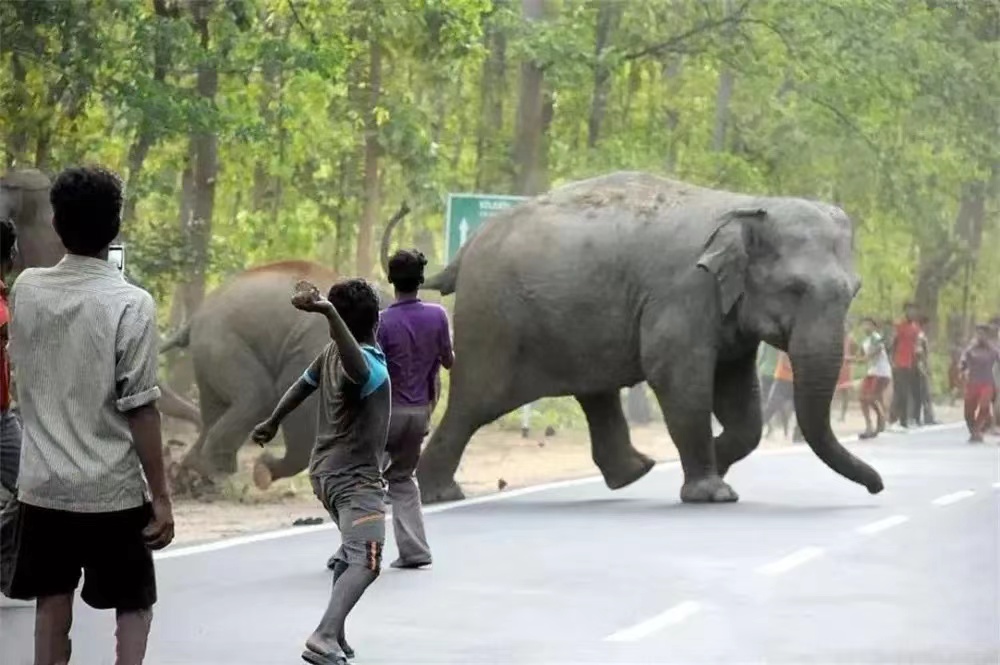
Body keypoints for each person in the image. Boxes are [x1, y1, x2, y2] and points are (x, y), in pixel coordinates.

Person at [4, 166, 174, 664]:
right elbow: (142, 408)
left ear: (57, 224)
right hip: (112, 491)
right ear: (116, 226)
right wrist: (161, 497)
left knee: (51, 600)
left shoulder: (27, 290)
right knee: (134, 602)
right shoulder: (132, 303)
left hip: (43, 488)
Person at [252, 278, 390, 665]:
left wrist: (273, 420)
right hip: (354, 479)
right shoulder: (357, 363)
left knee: (351, 549)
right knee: (368, 557)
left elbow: (303, 384)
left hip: (326, 473)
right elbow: (357, 373)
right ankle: (324, 635)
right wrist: (328, 311)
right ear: (376, 320)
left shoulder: (333, 353)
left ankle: (337, 634)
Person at [375, 249, 453, 570]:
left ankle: (355, 550)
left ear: (390, 279)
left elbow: (372, 371)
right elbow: (449, 361)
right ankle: (415, 550)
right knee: (404, 479)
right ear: (421, 279)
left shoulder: (381, 322)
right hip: (420, 413)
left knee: (365, 481)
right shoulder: (437, 316)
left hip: (386, 416)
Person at [958, 324, 1000, 443]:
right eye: (978, 334)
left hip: (987, 383)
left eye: (983, 334)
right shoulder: (971, 349)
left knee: (984, 406)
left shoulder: (993, 350)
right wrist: (962, 369)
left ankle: (977, 429)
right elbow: (963, 360)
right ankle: (974, 431)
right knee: (968, 412)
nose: (980, 336)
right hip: (972, 383)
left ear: (987, 335)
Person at [888, 302, 922, 430]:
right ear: (905, 312)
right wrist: (892, 360)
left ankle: (910, 418)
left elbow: (917, 345)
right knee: (900, 392)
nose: (912, 313)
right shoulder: (899, 326)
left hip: (912, 363)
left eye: (914, 311)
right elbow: (893, 343)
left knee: (911, 392)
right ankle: (897, 419)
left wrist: (919, 360)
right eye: (909, 310)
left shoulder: (916, 328)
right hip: (900, 362)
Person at [856, 317, 891, 439]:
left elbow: (878, 349)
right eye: (864, 325)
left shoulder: (876, 337)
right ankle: (869, 426)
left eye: (869, 325)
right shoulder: (864, 342)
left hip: (882, 372)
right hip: (872, 372)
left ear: (874, 327)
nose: (866, 327)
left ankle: (881, 419)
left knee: (871, 398)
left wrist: (867, 357)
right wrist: (854, 359)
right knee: (862, 398)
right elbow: (860, 357)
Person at [762, 351, 795, 439]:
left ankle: (795, 435)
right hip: (782, 379)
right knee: (771, 407)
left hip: (792, 380)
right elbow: (783, 357)